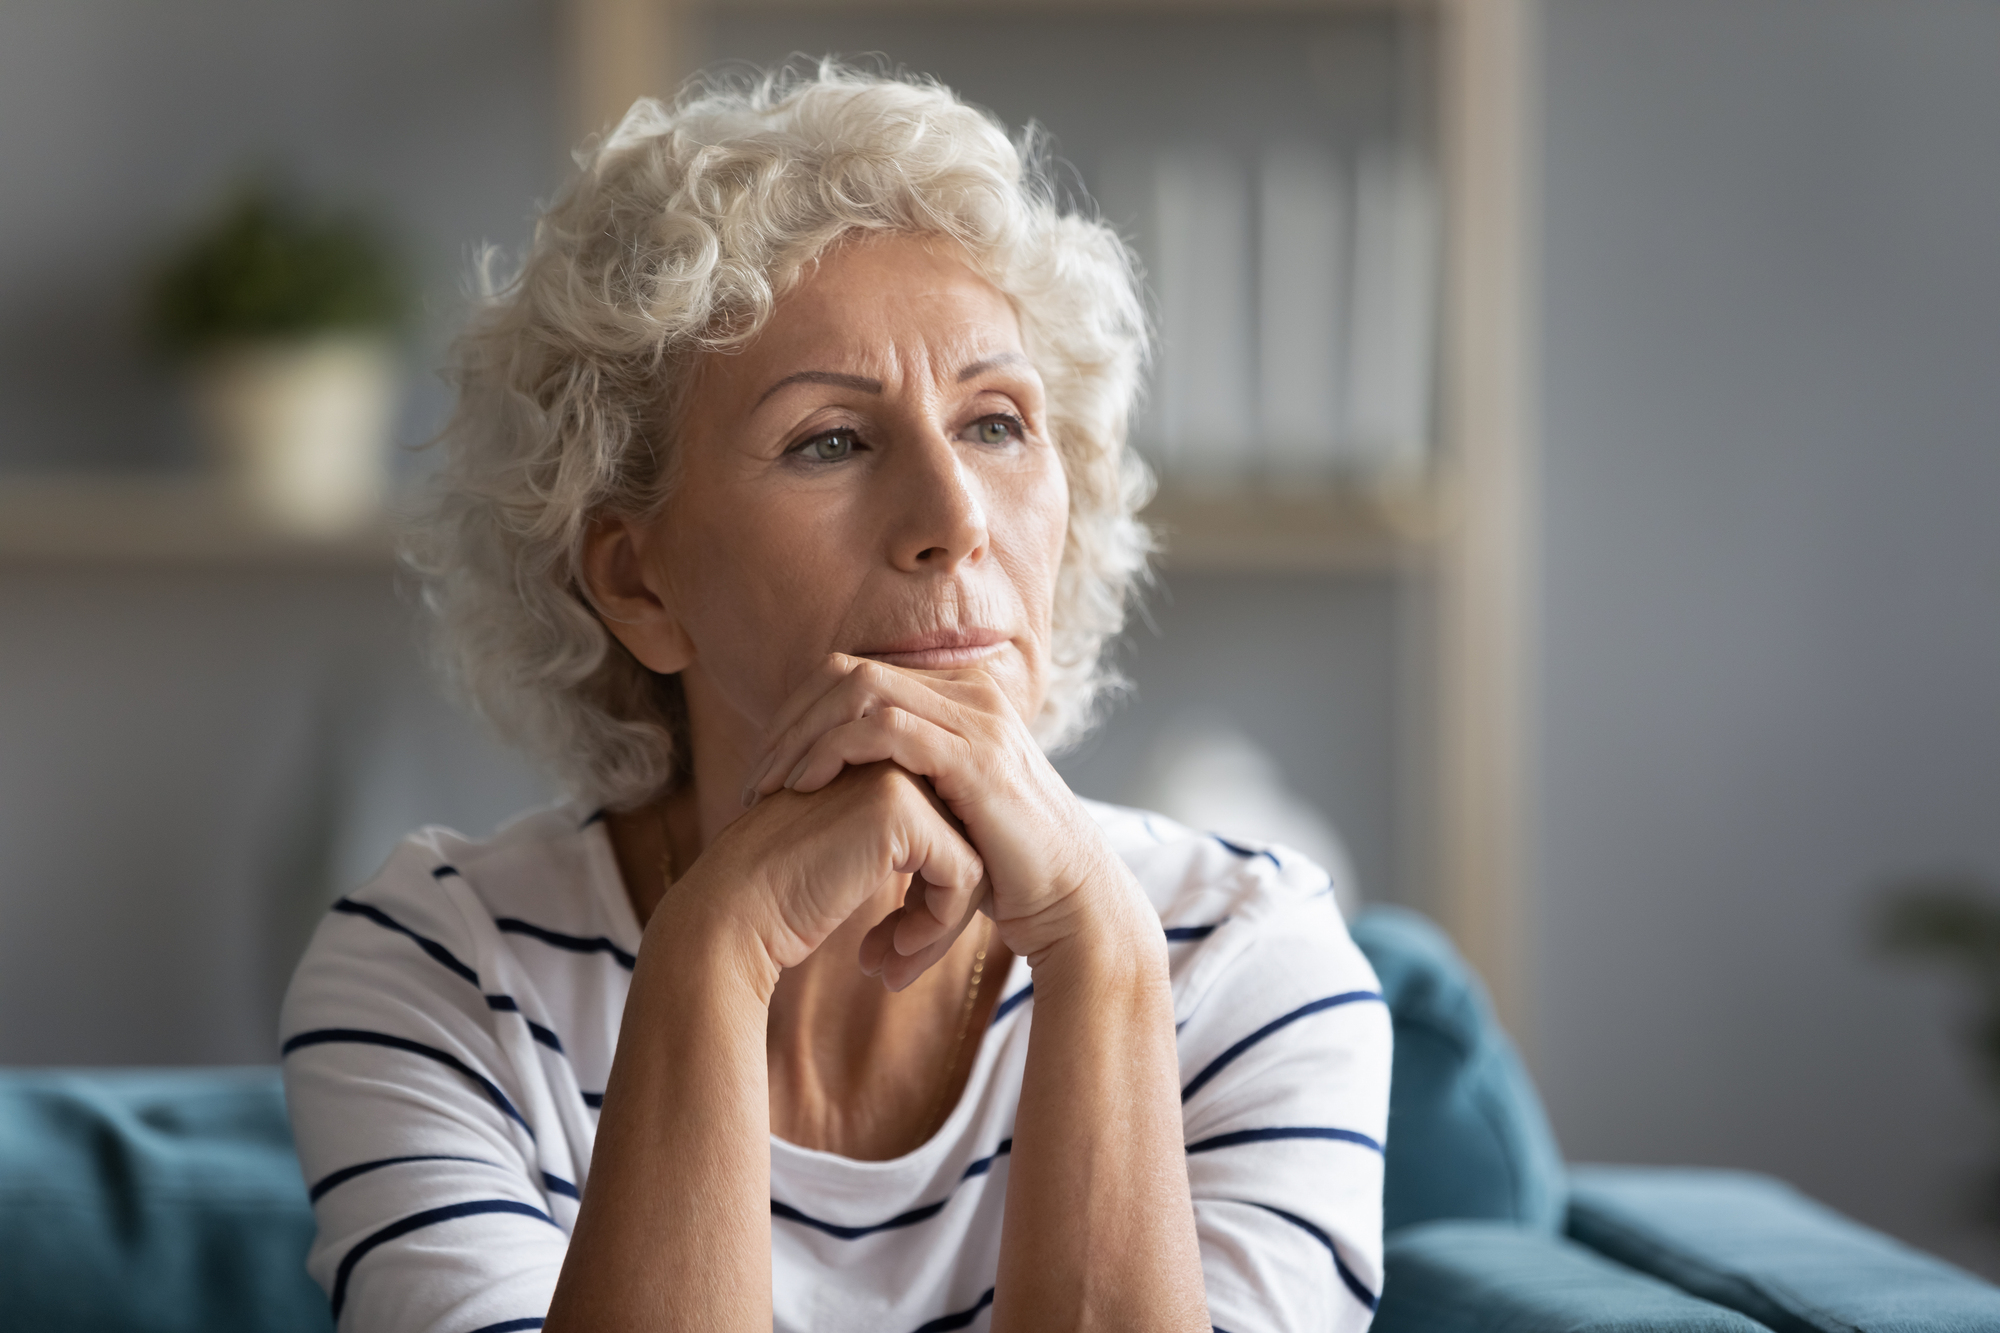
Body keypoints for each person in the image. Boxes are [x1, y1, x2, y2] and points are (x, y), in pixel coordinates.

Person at [281, 65, 1390, 1333]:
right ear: (636, 580)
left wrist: (1100, 957)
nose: (954, 519)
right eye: (830, 441)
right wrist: (712, 956)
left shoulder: (1247, 960)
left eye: (996, 424)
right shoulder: (436, 972)